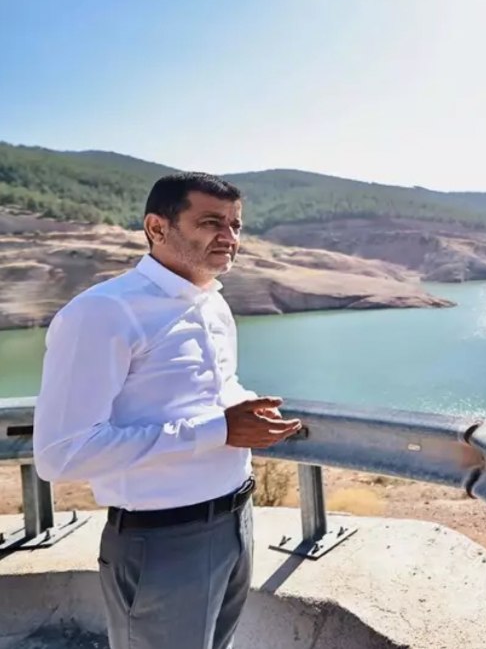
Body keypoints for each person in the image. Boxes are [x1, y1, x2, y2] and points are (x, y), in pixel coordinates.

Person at [32, 172, 303, 649]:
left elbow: (208, 392)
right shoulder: (101, 313)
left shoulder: (212, 303)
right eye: (211, 222)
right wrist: (218, 430)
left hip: (236, 519)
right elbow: (61, 455)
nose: (230, 238)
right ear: (157, 227)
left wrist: (244, 408)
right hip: (162, 542)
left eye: (236, 225)